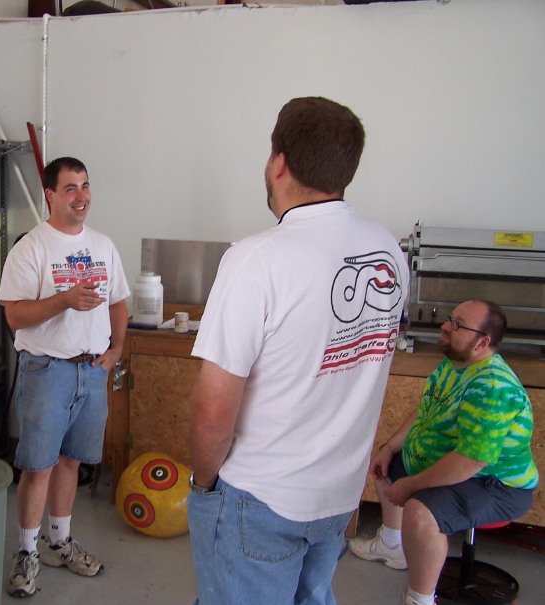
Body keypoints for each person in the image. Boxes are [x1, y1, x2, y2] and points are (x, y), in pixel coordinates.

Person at [188, 96, 409, 605]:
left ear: (279, 162)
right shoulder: (388, 251)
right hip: (336, 496)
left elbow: (213, 413)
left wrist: (204, 487)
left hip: (260, 498)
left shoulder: (256, 260)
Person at [0, 156, 129, 598]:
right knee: (39, 466)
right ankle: (27, 553)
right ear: (50, 195)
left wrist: (115, 351)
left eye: (86, 186)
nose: (81, 196)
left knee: (72, 461)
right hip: (46, 370)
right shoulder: (31, 248)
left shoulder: (104, 246)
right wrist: (64, 300)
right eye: (70, 188)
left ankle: (59, 541)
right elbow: (15, 315)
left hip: (91, 372)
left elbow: (118, 302)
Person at [349, 300, 538, 605]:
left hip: (493, 484)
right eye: (450, 319)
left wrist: (411, 485)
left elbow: (470, 461)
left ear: (483, 342)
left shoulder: (491, 387)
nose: (445, 326)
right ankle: (392, 546)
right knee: (386, 466)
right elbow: (425, 410)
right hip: (455, 465)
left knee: (421, 513)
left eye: (457, 325)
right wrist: (389, 449)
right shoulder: (454, 365)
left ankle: (420, 599)